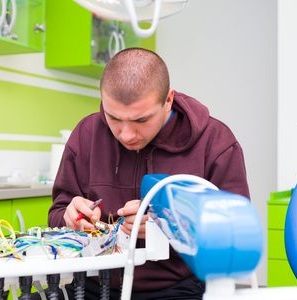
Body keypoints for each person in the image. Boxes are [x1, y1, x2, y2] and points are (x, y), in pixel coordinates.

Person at [36, 48, 250, 300]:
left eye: (141, 120)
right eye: (114, 117)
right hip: (92, 285)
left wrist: (172, 227)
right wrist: (70, 218)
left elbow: (236, 237)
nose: (126, 135)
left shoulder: (215, 144)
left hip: (178, 289)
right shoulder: (86, 135)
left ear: (168, 99)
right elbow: (57, 214)